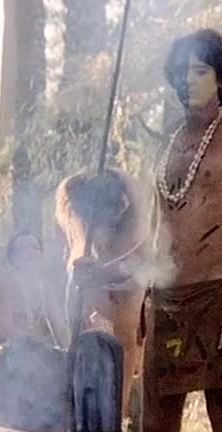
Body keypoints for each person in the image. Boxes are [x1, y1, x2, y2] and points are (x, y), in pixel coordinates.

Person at [141, 29, 222, 432]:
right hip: (164, 300)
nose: (188, 80)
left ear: (221, 79)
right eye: (181, 71)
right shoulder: (164, 146)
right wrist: (143, 296)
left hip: (217, 297)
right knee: (154, 424)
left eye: (199, 71)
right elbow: (156, 231)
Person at [55, 166, 150, 415]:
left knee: (126, 335)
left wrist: (113, 273)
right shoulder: (71, 197)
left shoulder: (133, 205)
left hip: (127, 271)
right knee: (79, 332)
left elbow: (141, 260)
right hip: (86, 270)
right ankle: (79, 404)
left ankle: (119, 410)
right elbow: (72, 255)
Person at [0, 231, 69, 432]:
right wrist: (37, 351)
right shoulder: (3, 282)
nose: (30, 252)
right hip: (0, 349)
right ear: (13, 256)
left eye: (34, 248)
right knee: (17, 358)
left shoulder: (45, 287)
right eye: (23, 248)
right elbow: (5, 328)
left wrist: (69, 354)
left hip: (34, 353)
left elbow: (60, 328)